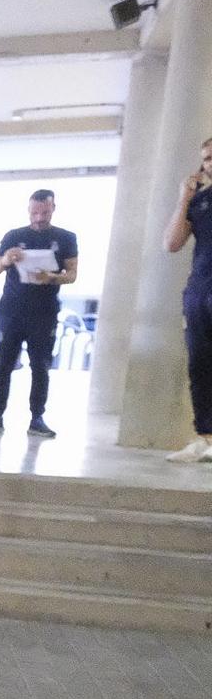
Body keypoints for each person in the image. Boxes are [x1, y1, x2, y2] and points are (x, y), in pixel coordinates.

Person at [0, 189, 79, 437]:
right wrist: (6, 261)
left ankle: (37, 417)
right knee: (3, 364)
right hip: (12, 311)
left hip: (44, 312)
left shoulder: (66, 238)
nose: (39, 217)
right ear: (28, 210)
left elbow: (72, 275)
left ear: (53, 208)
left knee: (40, 366)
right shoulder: (14, 236)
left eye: (44, 212)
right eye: (35, 212)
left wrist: (51, 278)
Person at [162, 137, 212, 463]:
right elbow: (171, 243)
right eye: (206, 159)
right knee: (201, 365)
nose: (210, 163)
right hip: (201, 291)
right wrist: (184, 198)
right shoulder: (200, 200)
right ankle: (206, 439)